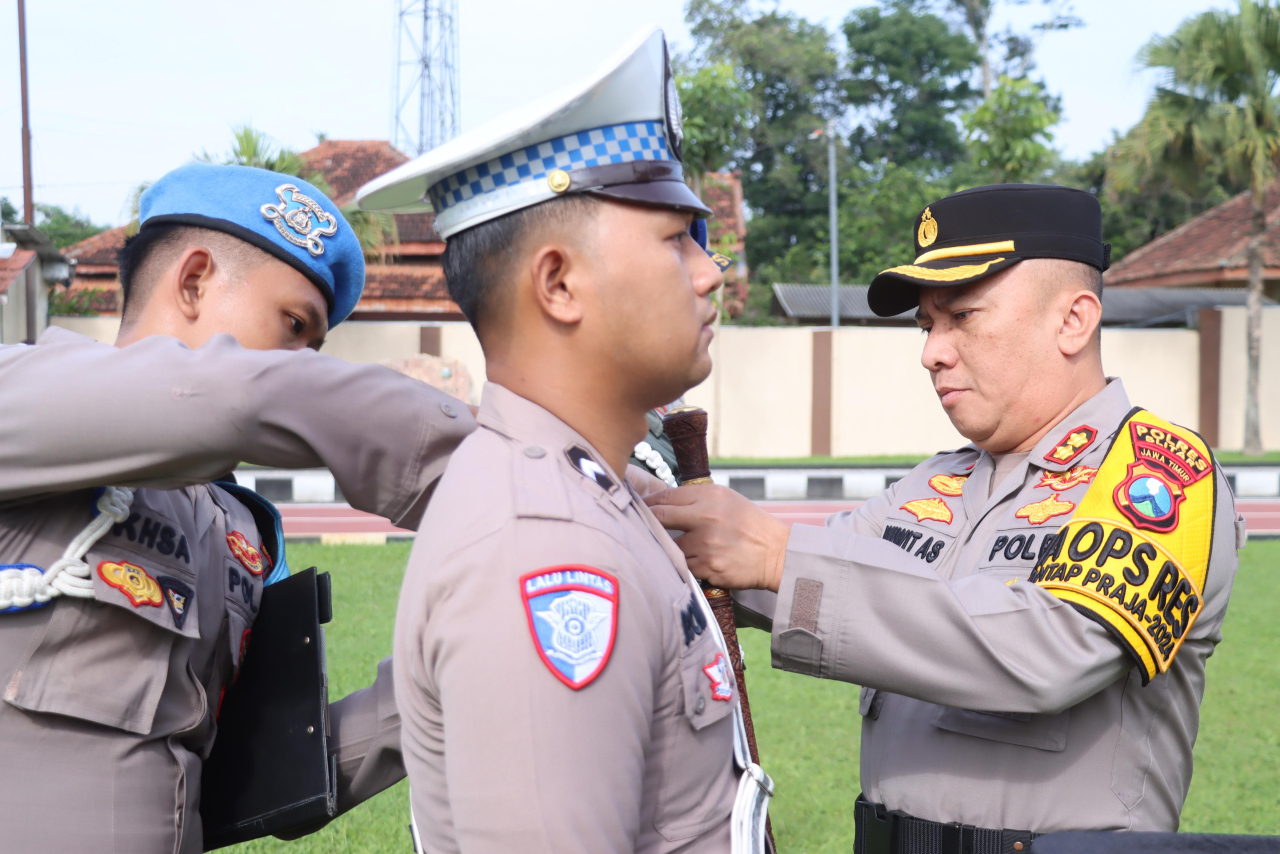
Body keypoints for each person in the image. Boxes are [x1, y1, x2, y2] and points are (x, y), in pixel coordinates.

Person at [645, 184, 1243, 851]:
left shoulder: (1156, 473)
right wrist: (632, 490)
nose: (931, 351)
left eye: (962, 316)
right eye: (928, 324)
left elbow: (1050, 650)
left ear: (1073, 321)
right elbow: (780, 571)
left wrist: (778, 557)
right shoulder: (940, 479)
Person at [358, 28, 774, 854]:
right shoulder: (545, 545)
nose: (708, 272)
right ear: (558, 284)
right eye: (673, 239)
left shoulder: (594, 498)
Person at [0, 162, 478, 852]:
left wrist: (443, 682)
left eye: (313, 350)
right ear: (193, 281)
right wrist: (522, 479)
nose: (301, 365)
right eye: (292, 329)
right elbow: (236, 398)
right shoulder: (22, 396)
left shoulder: (240, 535)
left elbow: (267, 779)